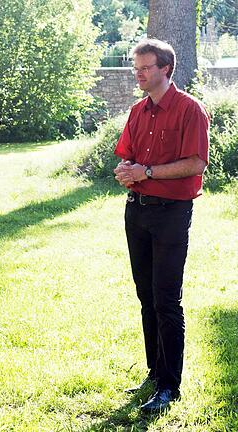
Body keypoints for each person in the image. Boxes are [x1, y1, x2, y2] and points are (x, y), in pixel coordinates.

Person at [113, 38, 209, 414]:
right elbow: (128, 157)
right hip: (136, 211)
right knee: (145, 295)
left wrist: (147, 172)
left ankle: (170, 385)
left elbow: (195, 164)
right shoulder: (138, 111)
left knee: (167, 298)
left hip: (171, 213)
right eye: (136, 68)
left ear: (165, 69)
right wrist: (125, 171)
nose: (139, 74)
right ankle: (155, 371)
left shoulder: (190, 110)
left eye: (146, 68)